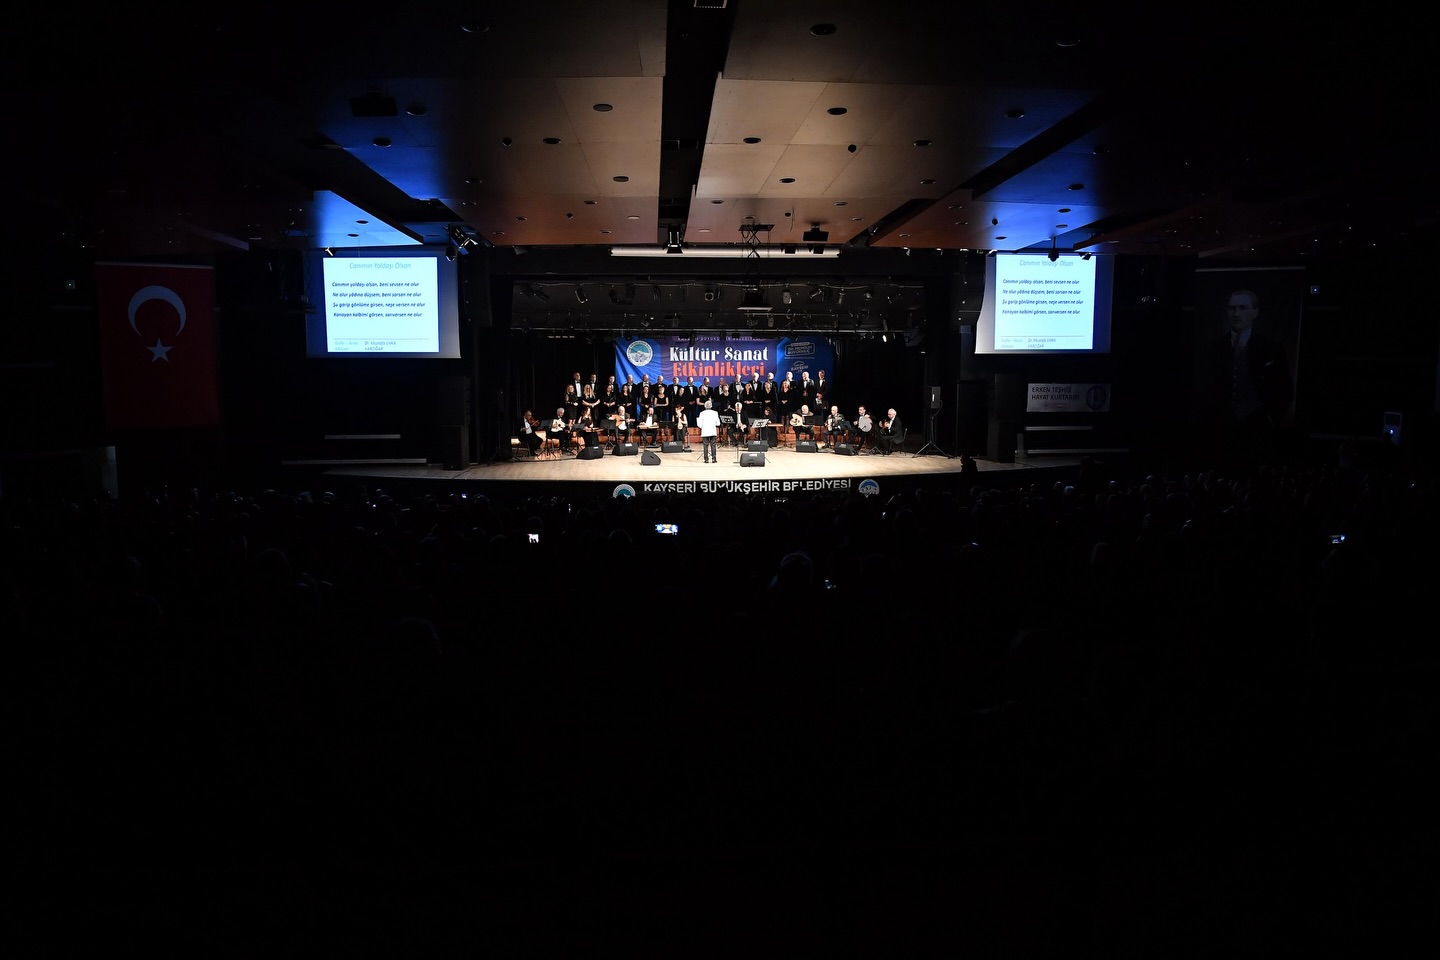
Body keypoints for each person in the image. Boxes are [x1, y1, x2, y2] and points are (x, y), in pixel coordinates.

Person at [1203, 288, 1294, 433]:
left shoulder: (1271, 348)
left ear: (1255, 312)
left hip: (1258, 427)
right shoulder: (1212, 348)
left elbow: (1285, 389)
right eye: (1232, 308)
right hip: (1218, 427)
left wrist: (1271, 420)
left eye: (1243, 308)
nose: (1236, 314)